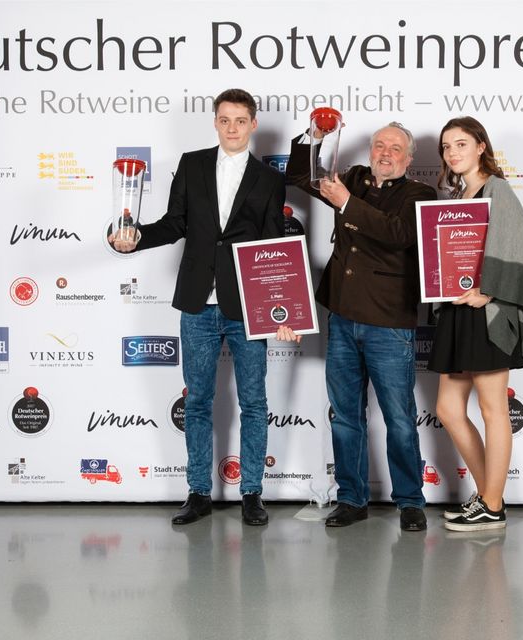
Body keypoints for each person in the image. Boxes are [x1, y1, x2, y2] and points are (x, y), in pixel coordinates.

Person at [109, 88, 289, 526]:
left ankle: (251, 493)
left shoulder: (269, 179)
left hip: (247, 306)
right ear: (215, 122)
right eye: (224, 120)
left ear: (253, 124)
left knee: (253, 401)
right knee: (197, 402)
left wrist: (283, 309)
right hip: (197, 303)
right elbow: (175, 223)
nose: (232, 128)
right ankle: (198, 492)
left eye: (240, 120)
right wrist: (135, 238)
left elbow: (274, 246)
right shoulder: (191, 164)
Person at [284, 121, 437, 531]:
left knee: (399, 418)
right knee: (346, 416)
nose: (386, 153)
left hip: (389, 322)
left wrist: (348, 203)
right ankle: (351, 498)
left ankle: (410, 501)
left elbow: (399, 234)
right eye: (379, 145)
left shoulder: (420, 194)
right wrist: (314, 137)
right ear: (370, 151)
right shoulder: (352, 178)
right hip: (343, 317)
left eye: (395, 148)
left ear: (409, 158)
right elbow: (298, 175)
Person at [430, 116, 523, 532]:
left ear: (481, 146)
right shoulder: (457, 195)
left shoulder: (496, 189)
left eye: (461, 144)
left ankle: (492, 504)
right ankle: (488, 497)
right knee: (448, 409)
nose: (452, 153)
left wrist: (490, 291)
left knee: (492, 408)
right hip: (456, 311)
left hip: (487, 313)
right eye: (446, 146)